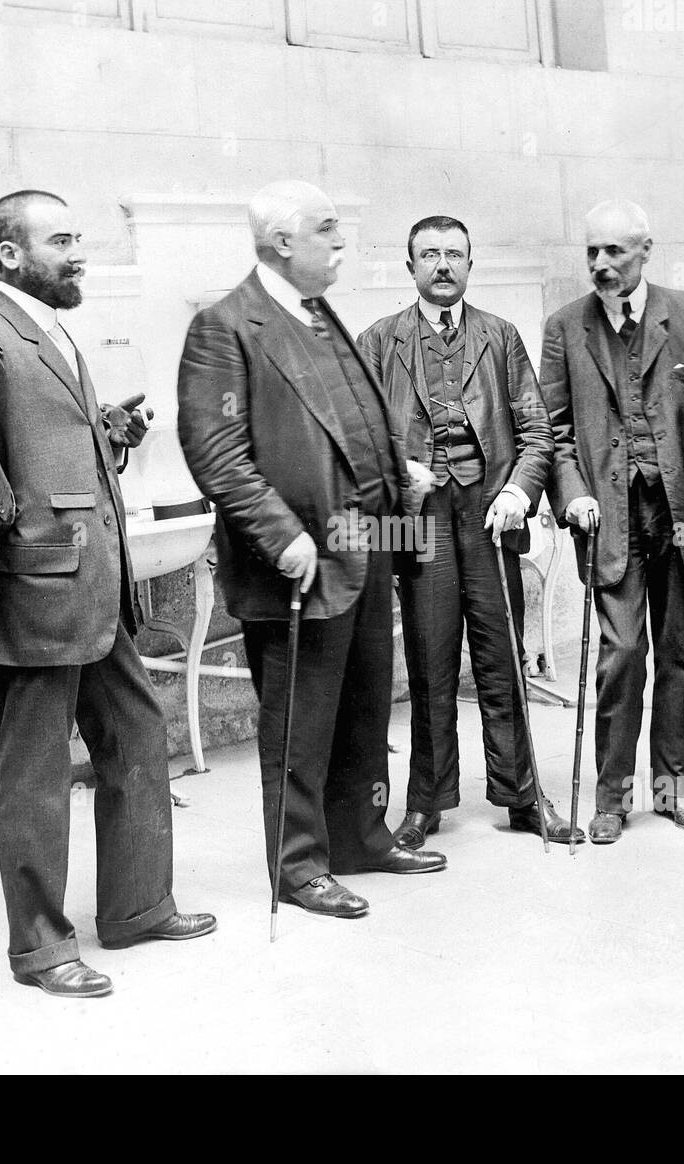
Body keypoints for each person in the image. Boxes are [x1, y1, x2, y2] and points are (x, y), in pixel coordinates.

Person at [0, 190, 215, 999]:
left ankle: (137, 907)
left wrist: (102, 432)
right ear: (12, 255)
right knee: (38, 773)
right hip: (36, 591)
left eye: (78, 238)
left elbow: (40, 438)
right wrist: (1, 509)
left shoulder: (47, 331)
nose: (78, 253)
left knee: (136, 735)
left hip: (91, 590)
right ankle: (43, 950)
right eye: (61, 240)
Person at [177, 180, 446, 921]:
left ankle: (360, 835)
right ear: (282, 242)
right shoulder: (225, 327)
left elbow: (357, 415)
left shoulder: (318, 311)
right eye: (327, 229)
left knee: (364, 705)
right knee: (299, 720)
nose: (340, 242)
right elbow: (216, 451)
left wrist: (401, 474)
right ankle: (297, 867)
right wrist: (281, 535)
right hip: (299, 557)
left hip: (365, 541)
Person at [357, 215, 579, 848]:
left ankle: (522, 794)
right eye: (430, 256)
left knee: (502, 657)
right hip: (421, 523)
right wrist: (401, 471)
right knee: (429, 662)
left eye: (455, 254)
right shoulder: (379, 342)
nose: (443, 266)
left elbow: (538, 431)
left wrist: (518, 490)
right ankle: (426, 802)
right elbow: (359, 436)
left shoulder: (501, 337)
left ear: (470, 265)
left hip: (489, 515)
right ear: (411, 269)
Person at [541, 199, 684, 844]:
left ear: (645, 250)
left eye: (615, 251)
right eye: (592, 251)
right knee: (621, 657)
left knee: (678, 654)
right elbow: (555, 431)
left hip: (678, 517)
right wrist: (571, 494)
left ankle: (674, 790)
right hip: (610, 522)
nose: (601, 264)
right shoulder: (565, 327)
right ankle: (613, 798)